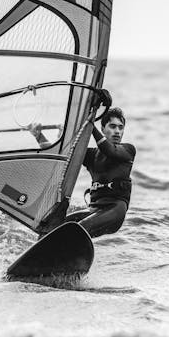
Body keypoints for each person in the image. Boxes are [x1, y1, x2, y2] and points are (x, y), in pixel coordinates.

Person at [64, 102, 135, 238]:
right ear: (103, 128)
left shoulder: (128, 150)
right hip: (95, 209)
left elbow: (109, 150)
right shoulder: (91, 155)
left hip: (115, 209)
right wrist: (39, 136)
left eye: (121, 127)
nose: (117, 131)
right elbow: (65, 155)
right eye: (112, 126)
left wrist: (90, 125)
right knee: (59, 224)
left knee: (79, 229)